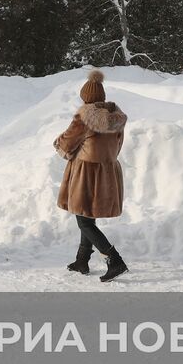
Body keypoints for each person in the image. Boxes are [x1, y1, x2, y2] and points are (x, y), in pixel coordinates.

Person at [53, 70, 128, 283]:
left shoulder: (83, 117)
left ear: (85, 97)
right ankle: (82, 260)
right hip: (107, 171)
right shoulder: (117, 118)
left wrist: (57, 143)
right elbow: (118, 146)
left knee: (84, 221)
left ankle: (114, 259)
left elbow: (67, 143)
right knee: (88, 216)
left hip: (85, 173)